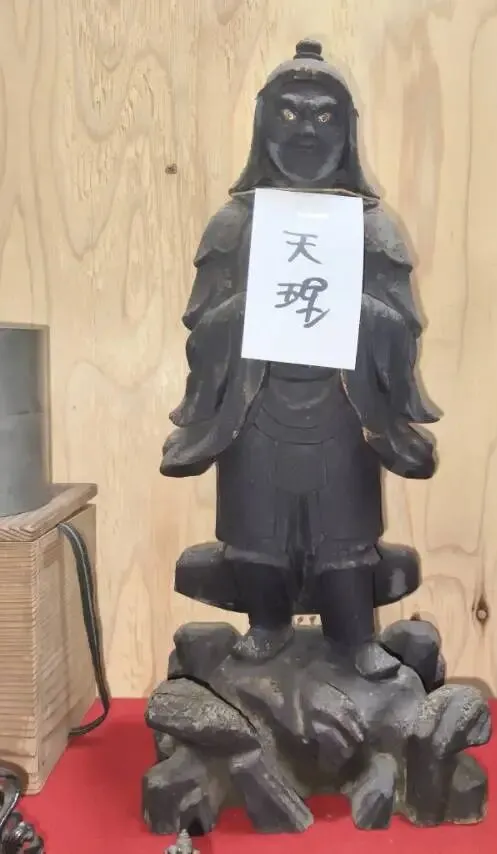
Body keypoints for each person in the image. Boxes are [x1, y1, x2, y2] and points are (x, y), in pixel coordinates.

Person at [161, 40, 440, 681]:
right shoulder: (235, 223)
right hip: (255, 407)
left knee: (345, 538)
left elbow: (401, 323)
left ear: (348, 131)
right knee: (256, 534)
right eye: (289, 113)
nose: (307, 129)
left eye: (324, 115)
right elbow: (203, 324)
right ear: (262, 125)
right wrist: (253, 307)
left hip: (343, 409)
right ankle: (267, 625)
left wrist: (352, 308)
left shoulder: (370, 226)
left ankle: (353, 638)